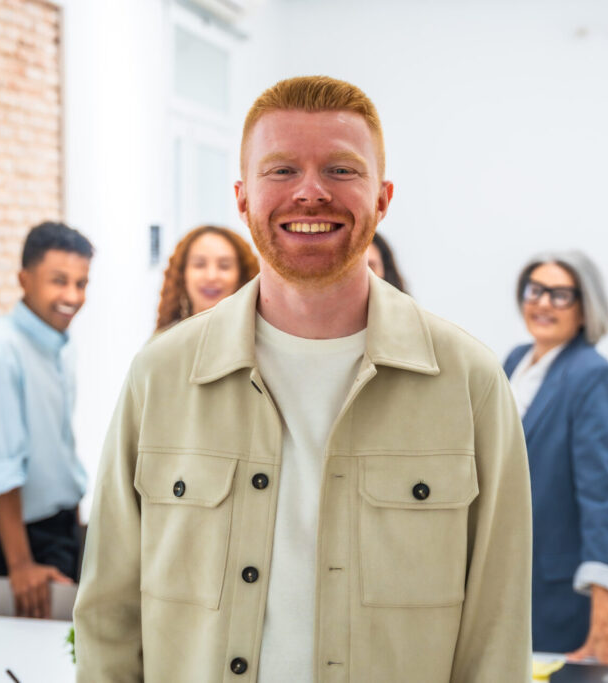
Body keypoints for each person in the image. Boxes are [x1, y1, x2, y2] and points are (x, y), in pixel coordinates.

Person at [75, 76, 533, 682]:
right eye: (282, 170)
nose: (311, 192)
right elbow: (109, 614)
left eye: (341, 170)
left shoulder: (469, 383)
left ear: (383, 197)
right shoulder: (161, 375)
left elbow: (496, 631)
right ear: (242, 198)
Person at [503, 251, 608, 666]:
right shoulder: (517, 360)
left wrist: (604, 617)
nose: (543, 303)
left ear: (586, 309)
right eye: (536, 289)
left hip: (561, 592)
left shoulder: (592, 375)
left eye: (561, 295)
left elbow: (605, 499)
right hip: (516, 575)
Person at [0, 221, 94, 619]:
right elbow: (2, 465)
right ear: (24, 279)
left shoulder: (59, 343)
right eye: (59, 281)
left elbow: (57, 445)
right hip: (25, 535)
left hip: (61, 524)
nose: (72, 296)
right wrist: (20, 565)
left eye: (81, 283)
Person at [155, 225, 260, 332]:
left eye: (224, 266)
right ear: (182, 274)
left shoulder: (258, 340)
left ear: (241, 274)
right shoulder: (164, 342)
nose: (211, 276)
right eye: (199, 264)